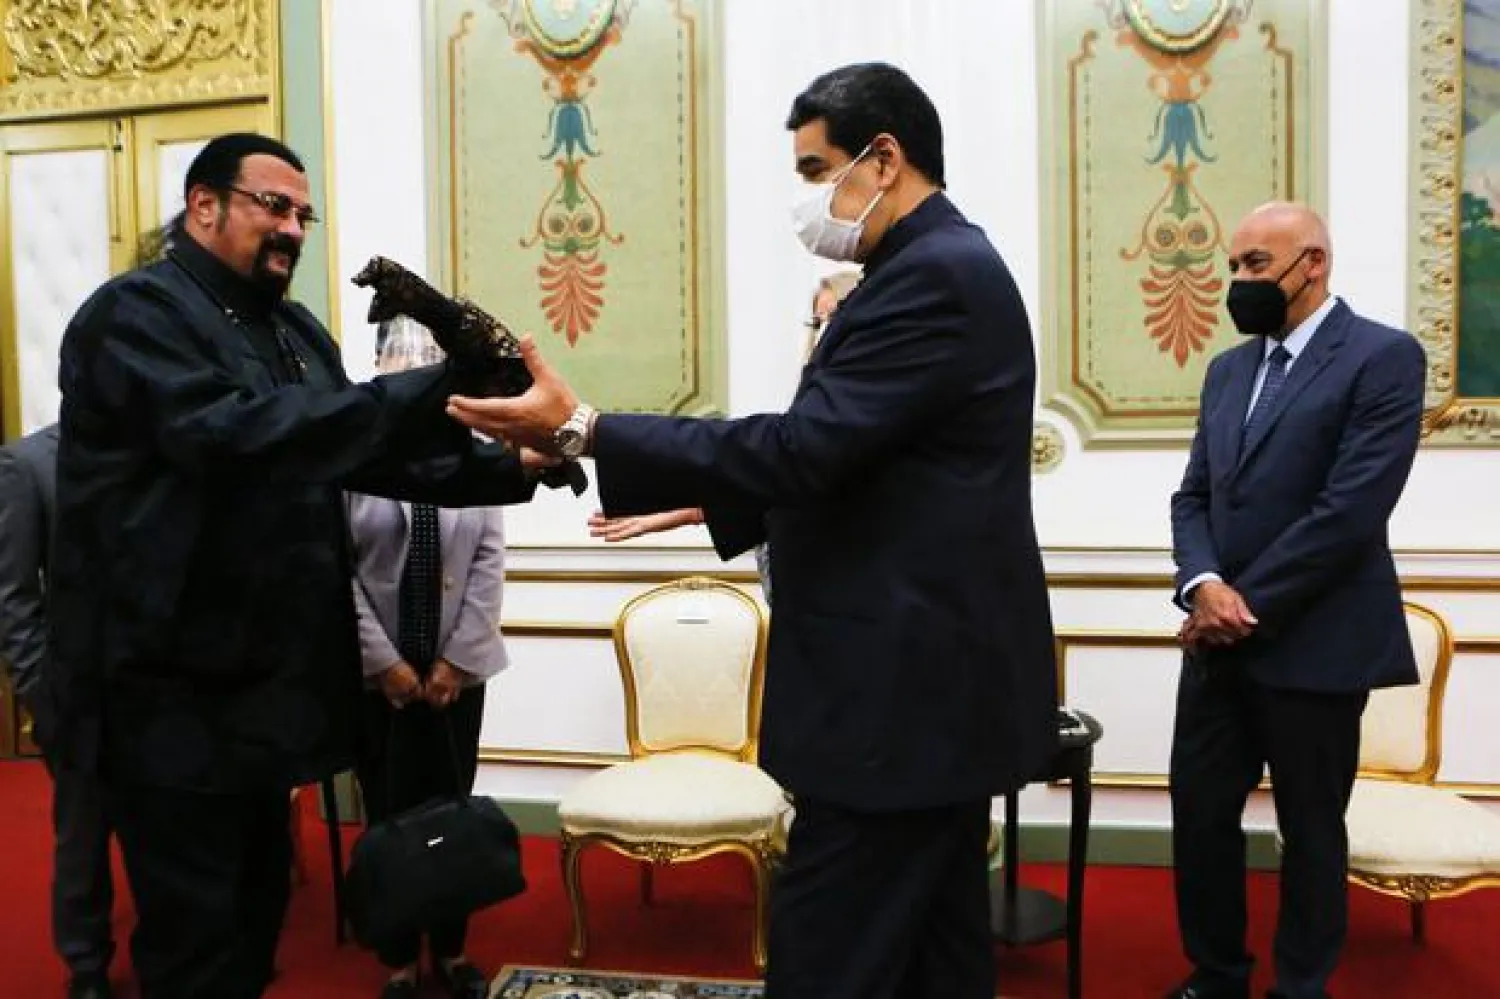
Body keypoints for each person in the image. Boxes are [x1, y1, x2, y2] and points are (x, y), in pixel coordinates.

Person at [446, 62, 1058, 999]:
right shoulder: (930, 267)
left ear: (882, 158)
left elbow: (810, 446)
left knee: (828, 958)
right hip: (927, 699)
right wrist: (712, 501)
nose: (809, 199)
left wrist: (589, 428)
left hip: (894, 709)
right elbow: (869, 465)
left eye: (818, 172)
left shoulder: (933, 277)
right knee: (937, 956)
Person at [45, 133, 551, 999]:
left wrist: (510, 462)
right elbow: (238, 434)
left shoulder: (292, 329)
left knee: (253, 930)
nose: (291, 228)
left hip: (262, 703)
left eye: (301, 213)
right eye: (271, 206)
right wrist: (437, 385)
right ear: (203, 204)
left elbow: (357, 450)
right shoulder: (133, 317)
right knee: (195, 947)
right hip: (166, 704)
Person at [1166, 202, 1427, 999]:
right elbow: (1194, 498)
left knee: (1312, 830)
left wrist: (1241, 603)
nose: (1237, 281)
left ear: (1311, 263)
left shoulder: (1383, 357)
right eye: (1234, 265)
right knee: (1201, 817)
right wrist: (1202, 585)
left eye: (1254, 265)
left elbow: (1349, 512)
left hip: (1317, 643)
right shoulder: (1228, 371)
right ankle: (1217, 975)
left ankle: (1300, 987)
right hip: (1219, 647)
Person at [347, 318, 511, 999]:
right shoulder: (351, 455)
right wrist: (382, 660)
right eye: (400, 356)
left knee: (451, 807)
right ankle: (396, 957)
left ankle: (448, 948)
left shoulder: (474, 450)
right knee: (387, 813)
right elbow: (336, 570)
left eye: (427, 359)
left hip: (454, 675)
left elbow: (489, 561)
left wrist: (454, 662)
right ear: (379, 364)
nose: (413, 368)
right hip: (374, 676)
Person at [585, 270, 861, 600]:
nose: (823, 333)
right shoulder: (815, 401)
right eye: (817, 323)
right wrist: (694, 510)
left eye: (834, 319)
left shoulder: (861, 408)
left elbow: (813, 489)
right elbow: (782, 488)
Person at [0, 424, 116, 999]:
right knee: (82, 836)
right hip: (72, 694)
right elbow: (16, 599)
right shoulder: (28, 464)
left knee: (164, 835)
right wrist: (39, 696)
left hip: (157, 690)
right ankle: (86, 966)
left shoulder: (151, 451)